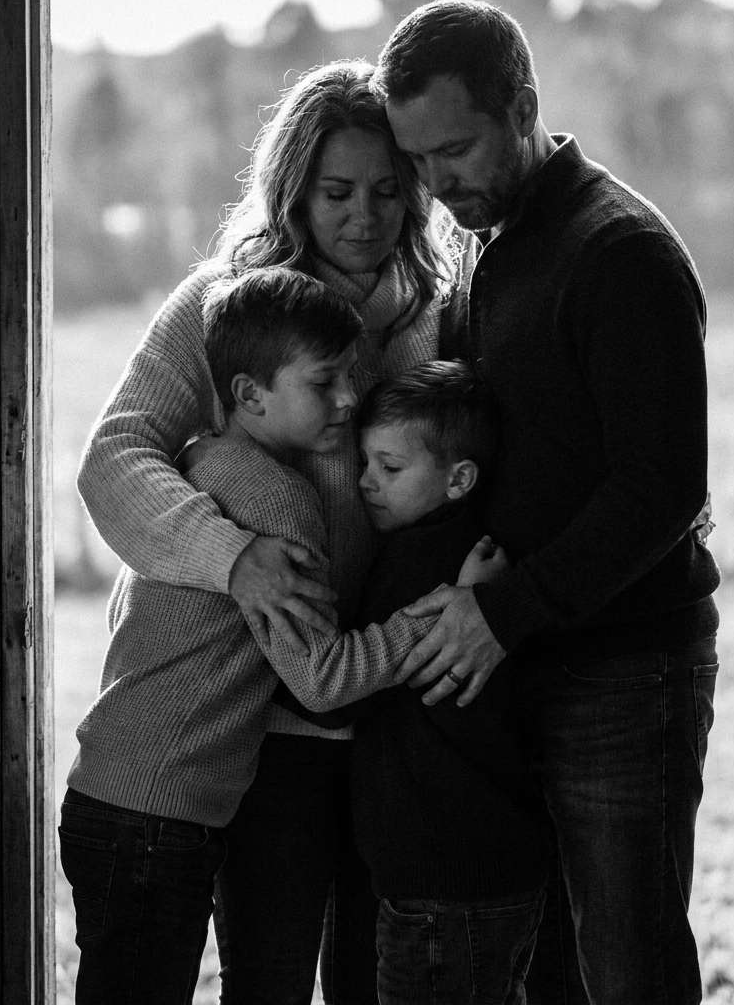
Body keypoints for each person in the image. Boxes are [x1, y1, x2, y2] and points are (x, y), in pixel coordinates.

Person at [75, 61, 472, 1004]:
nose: (363, 217)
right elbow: (115, 457)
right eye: (336, 193)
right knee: (270, 977)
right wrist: (231, 557)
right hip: (266, 727)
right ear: (293, 189)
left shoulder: (438, 315)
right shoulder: (233, 306)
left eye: (386, 191)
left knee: (378, 980)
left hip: (396, 712)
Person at [371, 0, 722, 1005]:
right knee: (551, 977)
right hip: (524, 660)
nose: (437, 185)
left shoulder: (620, 254)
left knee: (628, 967)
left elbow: (661, 489)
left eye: (457, 149)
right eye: (420, 161)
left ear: (521, 105)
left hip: (623, 671)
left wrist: (501, 611)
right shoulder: (489, 238)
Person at [350, 360, 549, 1005]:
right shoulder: (482, 557)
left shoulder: (412, 568)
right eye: (365, 464)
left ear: (459, 477)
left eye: (389, 467)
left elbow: (330, 695)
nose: (366, 483)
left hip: (441, 882)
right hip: (495, 871)